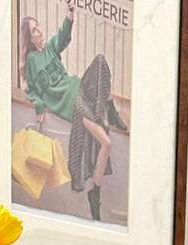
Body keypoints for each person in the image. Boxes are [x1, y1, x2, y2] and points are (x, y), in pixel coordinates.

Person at [18, 1, 127, 222]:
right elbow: (31, 90)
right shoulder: (31, 61)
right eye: (35, 30)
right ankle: (95, 194)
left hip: (78, 87)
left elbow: (63, 36)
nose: (40, 31)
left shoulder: (49, 48)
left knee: (100, 61)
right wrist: (39, 105)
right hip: (72, 103)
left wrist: (70, 14)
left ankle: (111, 110)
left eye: (38, 27)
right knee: (106, 142)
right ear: (29, 38)